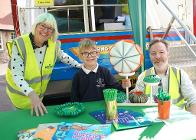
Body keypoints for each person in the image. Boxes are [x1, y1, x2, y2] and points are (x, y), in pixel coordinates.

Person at [6, 13, 81, 116]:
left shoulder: (52, 44)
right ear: (36, 26)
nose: (45, 31)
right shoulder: (20, 44)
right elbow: (16, 75)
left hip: (38, 98)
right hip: (19, 100)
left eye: (50, 28)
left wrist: (79, 65)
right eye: (42, 26)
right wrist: (32, 95)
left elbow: (63, 56)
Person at [134, 38, 196, 115]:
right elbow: (137, 102)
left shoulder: (180, 74)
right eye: (153, 53)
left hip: (176, 120)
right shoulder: (143, 77)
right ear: (149, 56)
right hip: (152, 120)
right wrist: (132, 95)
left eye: (161, 52)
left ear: (168, 54)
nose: (157, 56)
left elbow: (193, 101)